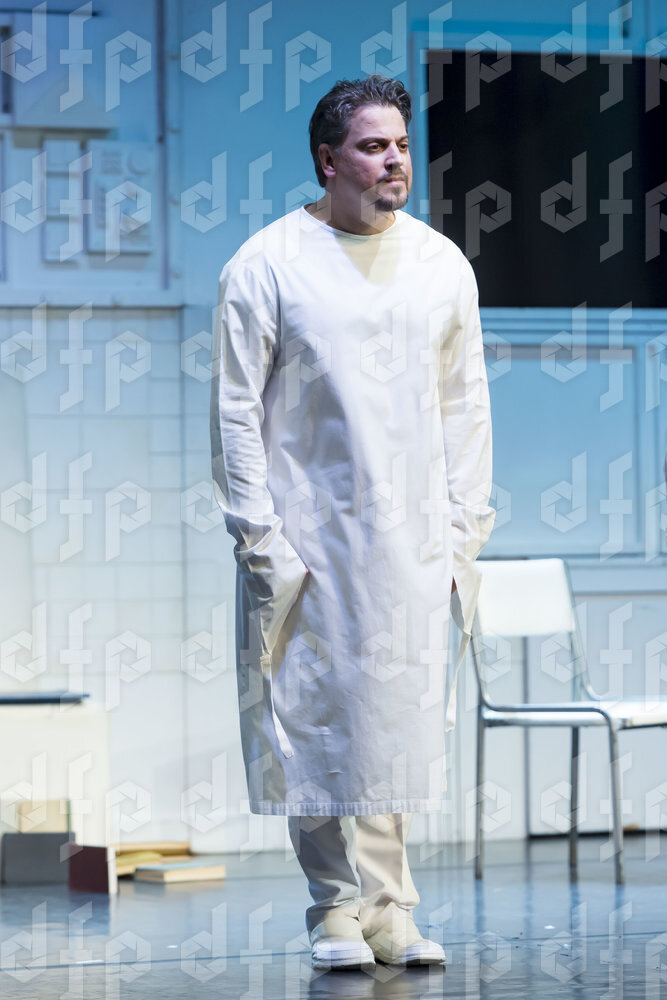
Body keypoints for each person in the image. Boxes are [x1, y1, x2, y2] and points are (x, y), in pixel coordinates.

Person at [210, 74, 495, 970]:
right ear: (327, 160)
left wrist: (463, 529)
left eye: (401, 145)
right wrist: (259, 538)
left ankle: (390, 909)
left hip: (410, 539)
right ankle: (334, 908)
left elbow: (465, 406)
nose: (395, 161)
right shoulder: (267, 265)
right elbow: (234, 412)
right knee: (318, 722)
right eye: (373, 147)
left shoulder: (439, 266)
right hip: (309, 535)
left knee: (391, 724)